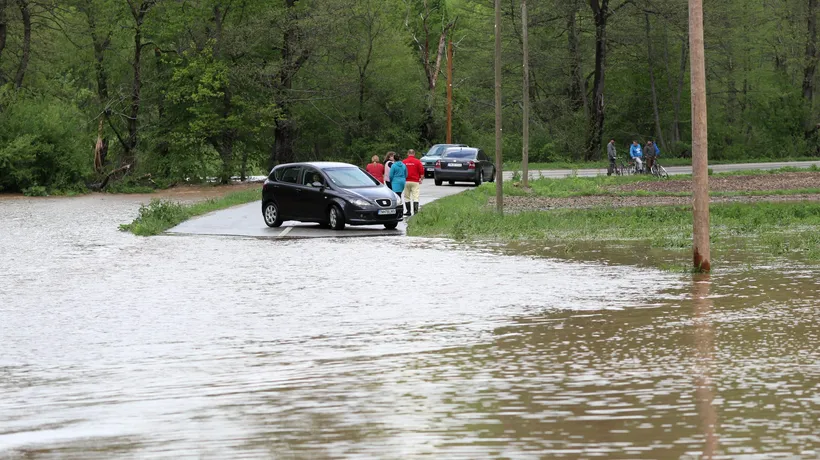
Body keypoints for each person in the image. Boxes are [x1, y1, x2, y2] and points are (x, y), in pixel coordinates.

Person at [402, 149, 425, 216]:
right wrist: (421, 179)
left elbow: (402, 171)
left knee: (406, 196)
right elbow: (422, 172)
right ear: (414, 154)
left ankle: (408, 211)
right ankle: (415, 212)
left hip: (406, 181)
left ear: (407, 153)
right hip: (415, 181)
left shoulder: (404, 162)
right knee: (415, 196)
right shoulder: (417, 162)